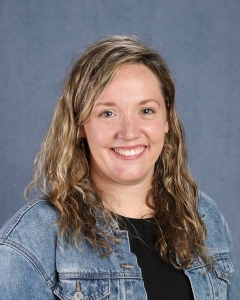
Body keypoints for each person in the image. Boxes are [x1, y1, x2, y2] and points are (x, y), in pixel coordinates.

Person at [0, 36, 239, 300]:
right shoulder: (32, 240)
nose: (129, 132)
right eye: (108, 113)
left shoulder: (203, 217)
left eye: (146, 110)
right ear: (79, 124)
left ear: (167, 119)